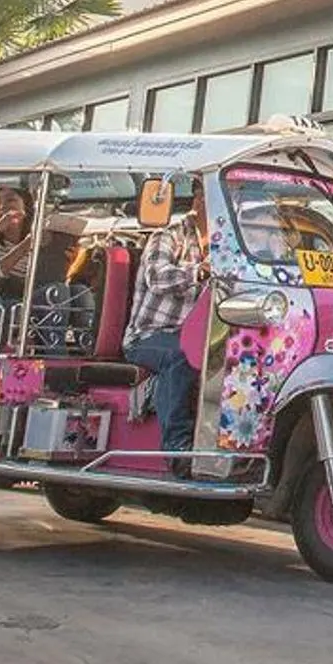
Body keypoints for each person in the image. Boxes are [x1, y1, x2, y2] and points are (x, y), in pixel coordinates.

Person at [122, 198, 211, 475]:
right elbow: (156, 276)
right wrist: (199, 271)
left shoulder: (229, 243)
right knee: (181, 357)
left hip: (200, 337)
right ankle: (177, 448)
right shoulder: (169, 234)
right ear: (200, 198)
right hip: (148, 336)